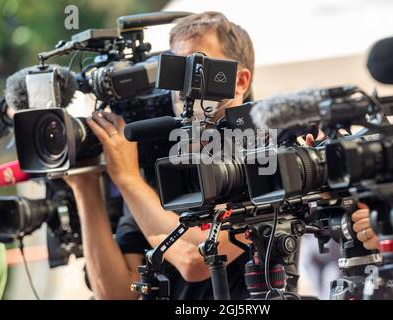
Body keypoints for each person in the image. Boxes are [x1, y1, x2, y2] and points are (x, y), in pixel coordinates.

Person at [65, 12, 255, 300]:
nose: (181, 85)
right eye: (176, 69)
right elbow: (118, 292)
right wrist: (84, 184)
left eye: (196, 66)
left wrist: (127, 178)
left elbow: (197, 259)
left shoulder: (263, 157)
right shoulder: (160, 167)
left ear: (240, 81)